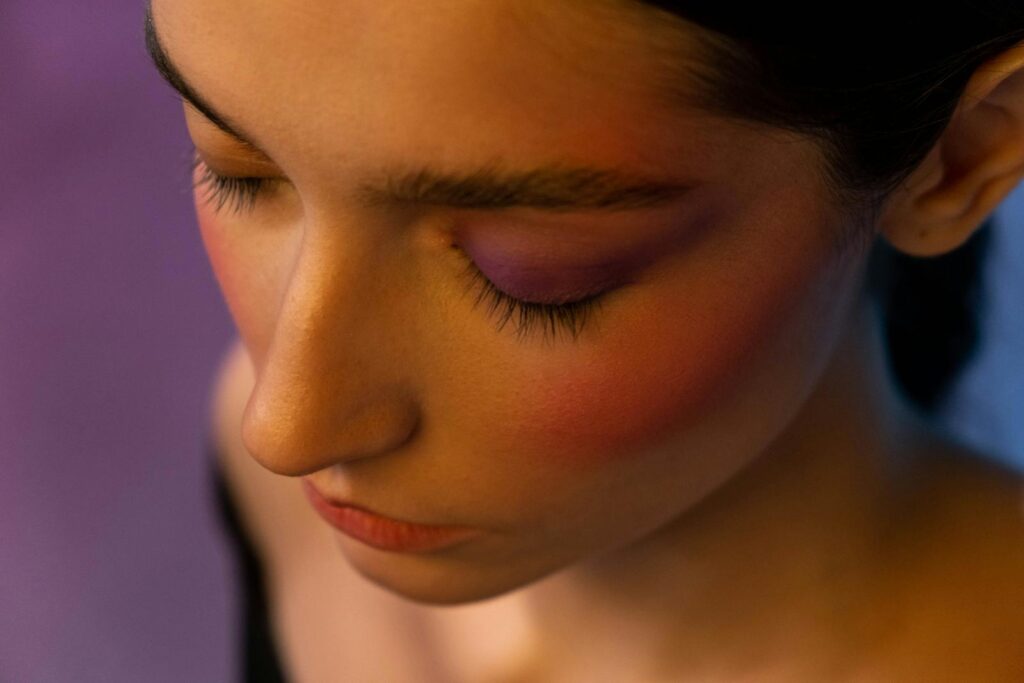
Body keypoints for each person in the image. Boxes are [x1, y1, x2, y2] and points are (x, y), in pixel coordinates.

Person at [145, 1, 1024, 680]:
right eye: (237, 172)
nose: (285, 427)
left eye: (531, 273)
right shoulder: (289, 512)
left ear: (962, 157)